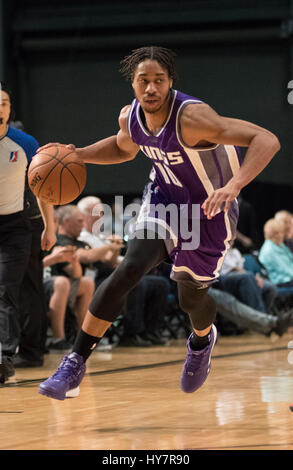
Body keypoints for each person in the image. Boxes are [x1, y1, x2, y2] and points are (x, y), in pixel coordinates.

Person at [37, 46, 280, 400]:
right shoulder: (130, 118)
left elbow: (266, 139)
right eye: (143, 81)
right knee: (129, 268)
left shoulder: (194, 118)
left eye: (158, 81)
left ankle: (201, 341)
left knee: (190, 300)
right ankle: (74, 361)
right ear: (133, 83)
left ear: (170, 83)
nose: (150, 88)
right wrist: (79, 154)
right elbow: (124, 148)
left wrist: (234, 185)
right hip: (164, 200)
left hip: (209, 210)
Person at [0, 83, 56, 383]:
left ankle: (6, 356)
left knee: (8, 290)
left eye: (4, 103)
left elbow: (43, 187)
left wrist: (51, 225)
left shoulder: (25, 143)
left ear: (9, 109)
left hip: (17, 227)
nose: (0, 108)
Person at [218, 244, 277, 313]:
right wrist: (253, 277)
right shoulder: (218, 251)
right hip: (224, 278)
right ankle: (260, 316)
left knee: (270, 287)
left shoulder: (235, 251)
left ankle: (264, 315)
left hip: (243, 275)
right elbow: (234, 268)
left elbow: (242, 269)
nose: (231, 241)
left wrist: (256, 278)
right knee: (247, 277)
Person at [259, 218, 293, 287]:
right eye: (278, 233)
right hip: (281, 280)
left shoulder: (280, 244)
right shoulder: (268, 249)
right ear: (272, 234)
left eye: (282, 232)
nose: (281, 235)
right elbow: (281, 269)